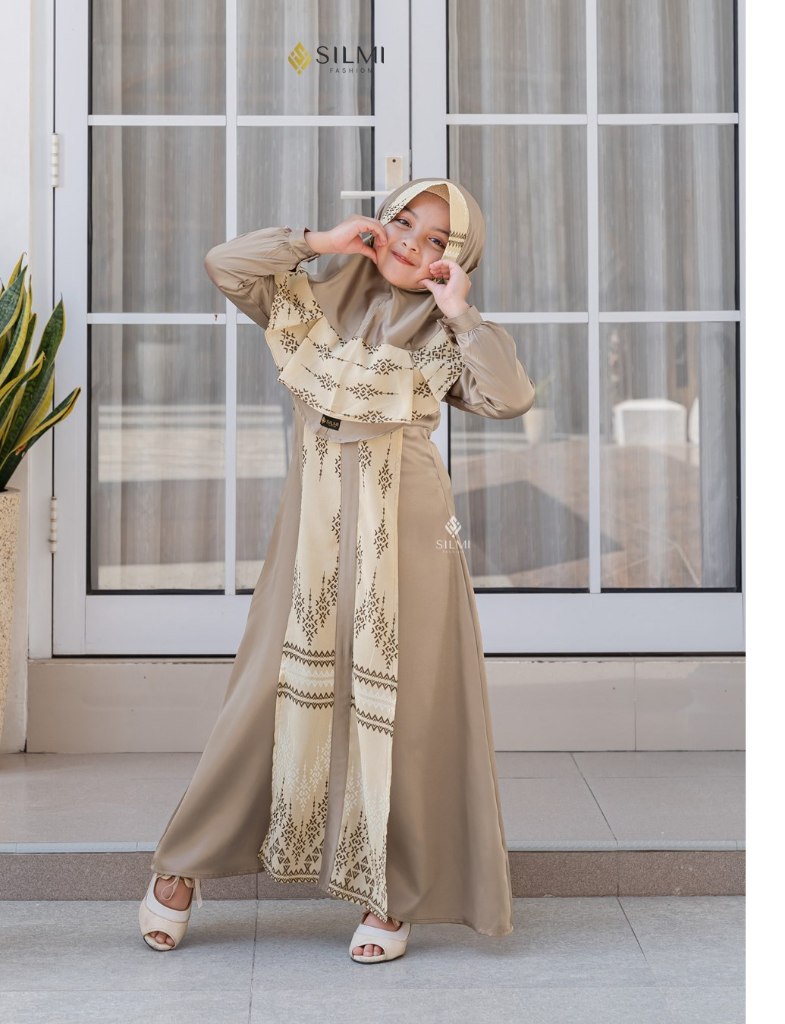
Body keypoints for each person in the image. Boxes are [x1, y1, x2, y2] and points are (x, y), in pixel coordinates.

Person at [138, 177, 536, 963]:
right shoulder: (309, 301)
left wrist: (460, 311)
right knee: (263, 693)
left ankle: (391, 895)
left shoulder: (447, 332)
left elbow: (510, 398)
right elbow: (225, 263)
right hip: (311, 525)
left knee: (405, 711)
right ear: (379, 222)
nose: (412, 245)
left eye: (437, 242)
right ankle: (182, 862)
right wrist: (319, 242)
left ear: (455, 261)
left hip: (410, 527)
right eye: (403, 223)